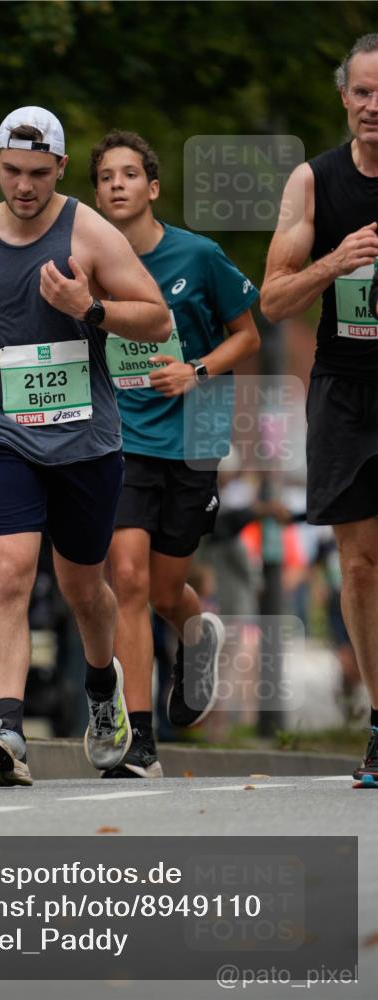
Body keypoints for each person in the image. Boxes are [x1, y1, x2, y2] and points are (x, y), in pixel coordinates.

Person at [0, 106, 170, 787]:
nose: (24, 187)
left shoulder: (90, 234)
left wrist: (88, 308)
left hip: (85, 441)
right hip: (2, 434)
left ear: (61, 169)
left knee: (81, 586)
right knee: (6, 573)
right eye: (11, 172)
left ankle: (102, 692)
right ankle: (7, 727)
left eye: (38, 174)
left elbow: (155, 318)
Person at [91, 130, 261, 778]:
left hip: (191, 439)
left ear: (152, 187)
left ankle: (196, 630)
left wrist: (195, 369)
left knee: (164, 590)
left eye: (128, 174)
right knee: (127, 577)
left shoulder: (199, 254)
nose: (116, 184)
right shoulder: (87, 265)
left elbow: (245, 337)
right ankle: (139, 741)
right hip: (121, 437)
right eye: (105, 176)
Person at [261, 34, 378, 788]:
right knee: (360, 564)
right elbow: (271, 299)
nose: (373, 108)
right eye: (362, 93)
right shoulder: (313, 183)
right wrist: (334, 262)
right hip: (342, 390)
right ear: (343, 97)